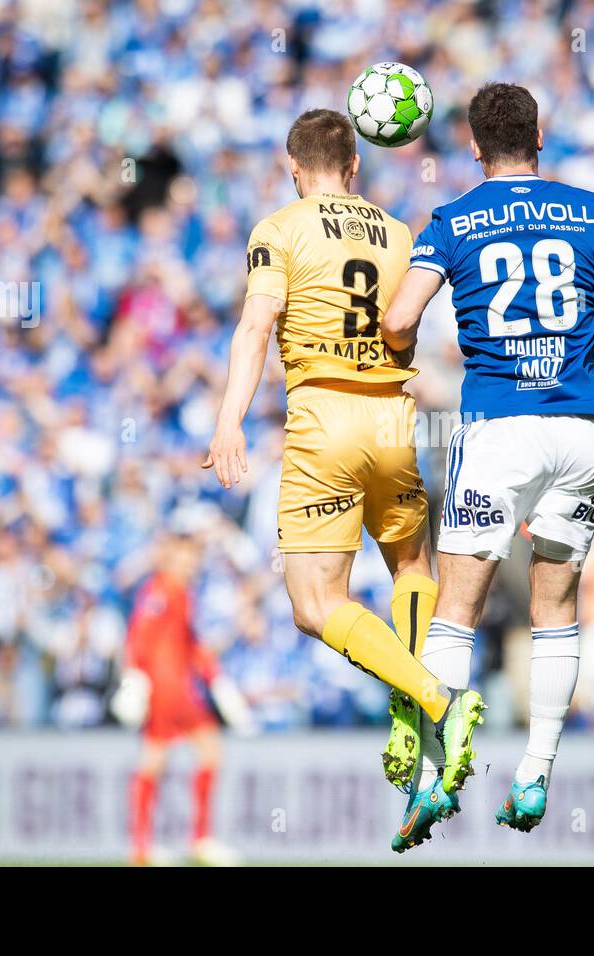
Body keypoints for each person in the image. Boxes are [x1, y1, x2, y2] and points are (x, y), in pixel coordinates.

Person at [383, 83, 594, 846]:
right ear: (540, 138)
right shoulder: (593, 213)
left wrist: (395, 363)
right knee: (555, 609)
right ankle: (535, 770)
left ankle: (433, 775)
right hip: (580, 430)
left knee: (457, 608)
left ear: (473, 146)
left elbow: (400, 318)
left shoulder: (455, 220)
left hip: (499, 429)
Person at [203, 110, 485, 849]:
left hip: (324, 421)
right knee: (411, 565)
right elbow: (407, 324)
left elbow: (257, 326)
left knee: (314, 603)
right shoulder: (399, 232)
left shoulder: (279, 227)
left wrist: (230, 418)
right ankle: (420, 727)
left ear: (293, 165)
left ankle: (431, 697)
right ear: (354, 167)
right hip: (394, 418)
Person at [121, 533, 236, 866]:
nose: (189, 564)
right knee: (200, 752)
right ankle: (194, 840)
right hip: (168, 689)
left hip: (176, 687)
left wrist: (215, 679)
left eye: (192, 558)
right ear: (169, 558)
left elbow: (189, 644)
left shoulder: (180, 592)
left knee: (158, 760)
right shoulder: (161, 589)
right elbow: (140, 637)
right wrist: (135, 677)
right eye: (183, 557)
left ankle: (146, 847)